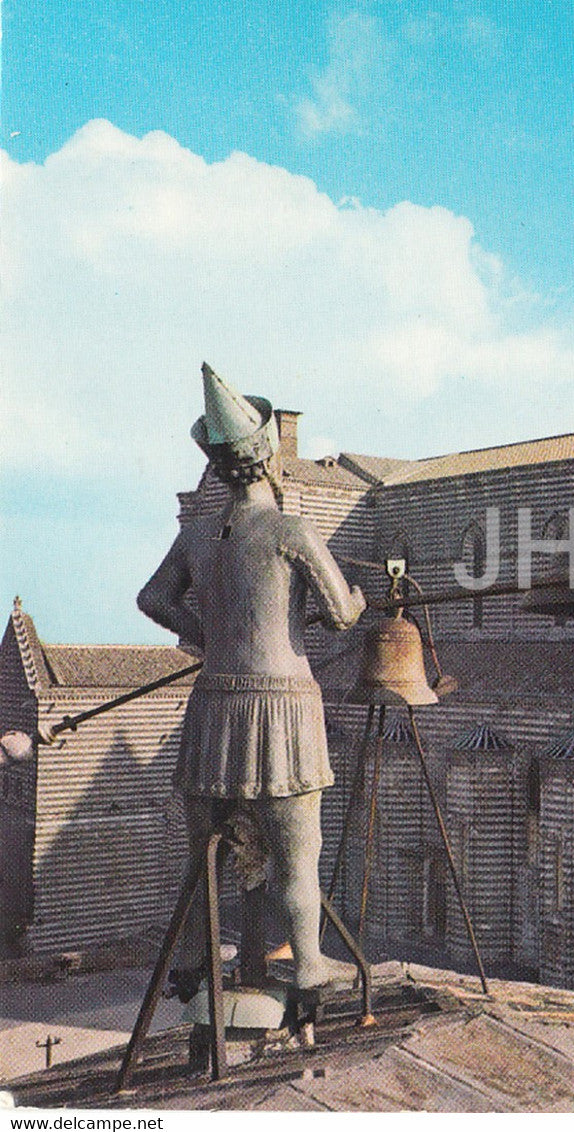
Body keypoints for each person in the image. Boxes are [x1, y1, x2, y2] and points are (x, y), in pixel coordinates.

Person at [139, 365, 366, 996]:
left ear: (218, 469)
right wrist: (360, 597)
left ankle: (191, 962)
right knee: (297, 853)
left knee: (204, 858)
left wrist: (207, 634)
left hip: (214, 707)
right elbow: (341, 616)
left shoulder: (197, 535)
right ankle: (311, 963)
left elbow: (153, 599)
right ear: (268, 460)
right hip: (283, 710)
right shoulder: (292, 531)